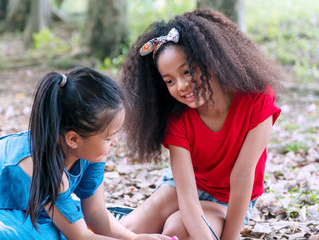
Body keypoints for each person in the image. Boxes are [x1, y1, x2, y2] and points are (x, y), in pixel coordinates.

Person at [119, 8, 283, 240]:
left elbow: (243, 176)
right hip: (182, 189)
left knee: (178, 230)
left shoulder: (257, 98)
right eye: (169, 81)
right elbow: (186, 195)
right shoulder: (177, 117)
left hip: (228, 199)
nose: (182, 86)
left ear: (211, 60)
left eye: (187, 71)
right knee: (128, 229)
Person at [0, 67, 172, 240]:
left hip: (21, 208)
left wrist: (134, 238)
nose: (116, 142)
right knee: (46, 233)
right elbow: (80, 236)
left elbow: (96, 213)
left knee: (66, 221)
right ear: (73, 139)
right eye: (109, 138)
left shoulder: (92, 153)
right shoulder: (39, 163)